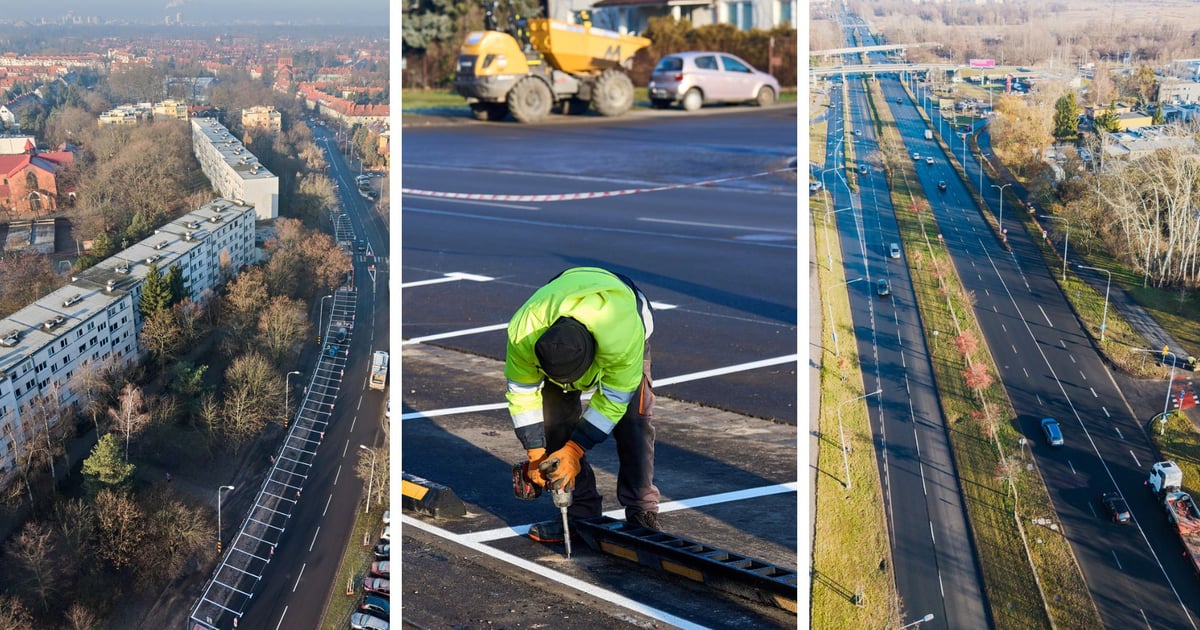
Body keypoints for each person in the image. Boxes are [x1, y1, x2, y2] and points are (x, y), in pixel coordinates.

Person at [505, 267, 660, 543]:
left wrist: (575, 450)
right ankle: (580, 512)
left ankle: (641, 510)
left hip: (623, 312)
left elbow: (613, 401)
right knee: (555, 418)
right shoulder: (524, 333)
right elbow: (521, 393)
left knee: (634, 423)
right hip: (561, 305)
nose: (568, 387)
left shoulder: (621, 339)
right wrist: (535, 452)